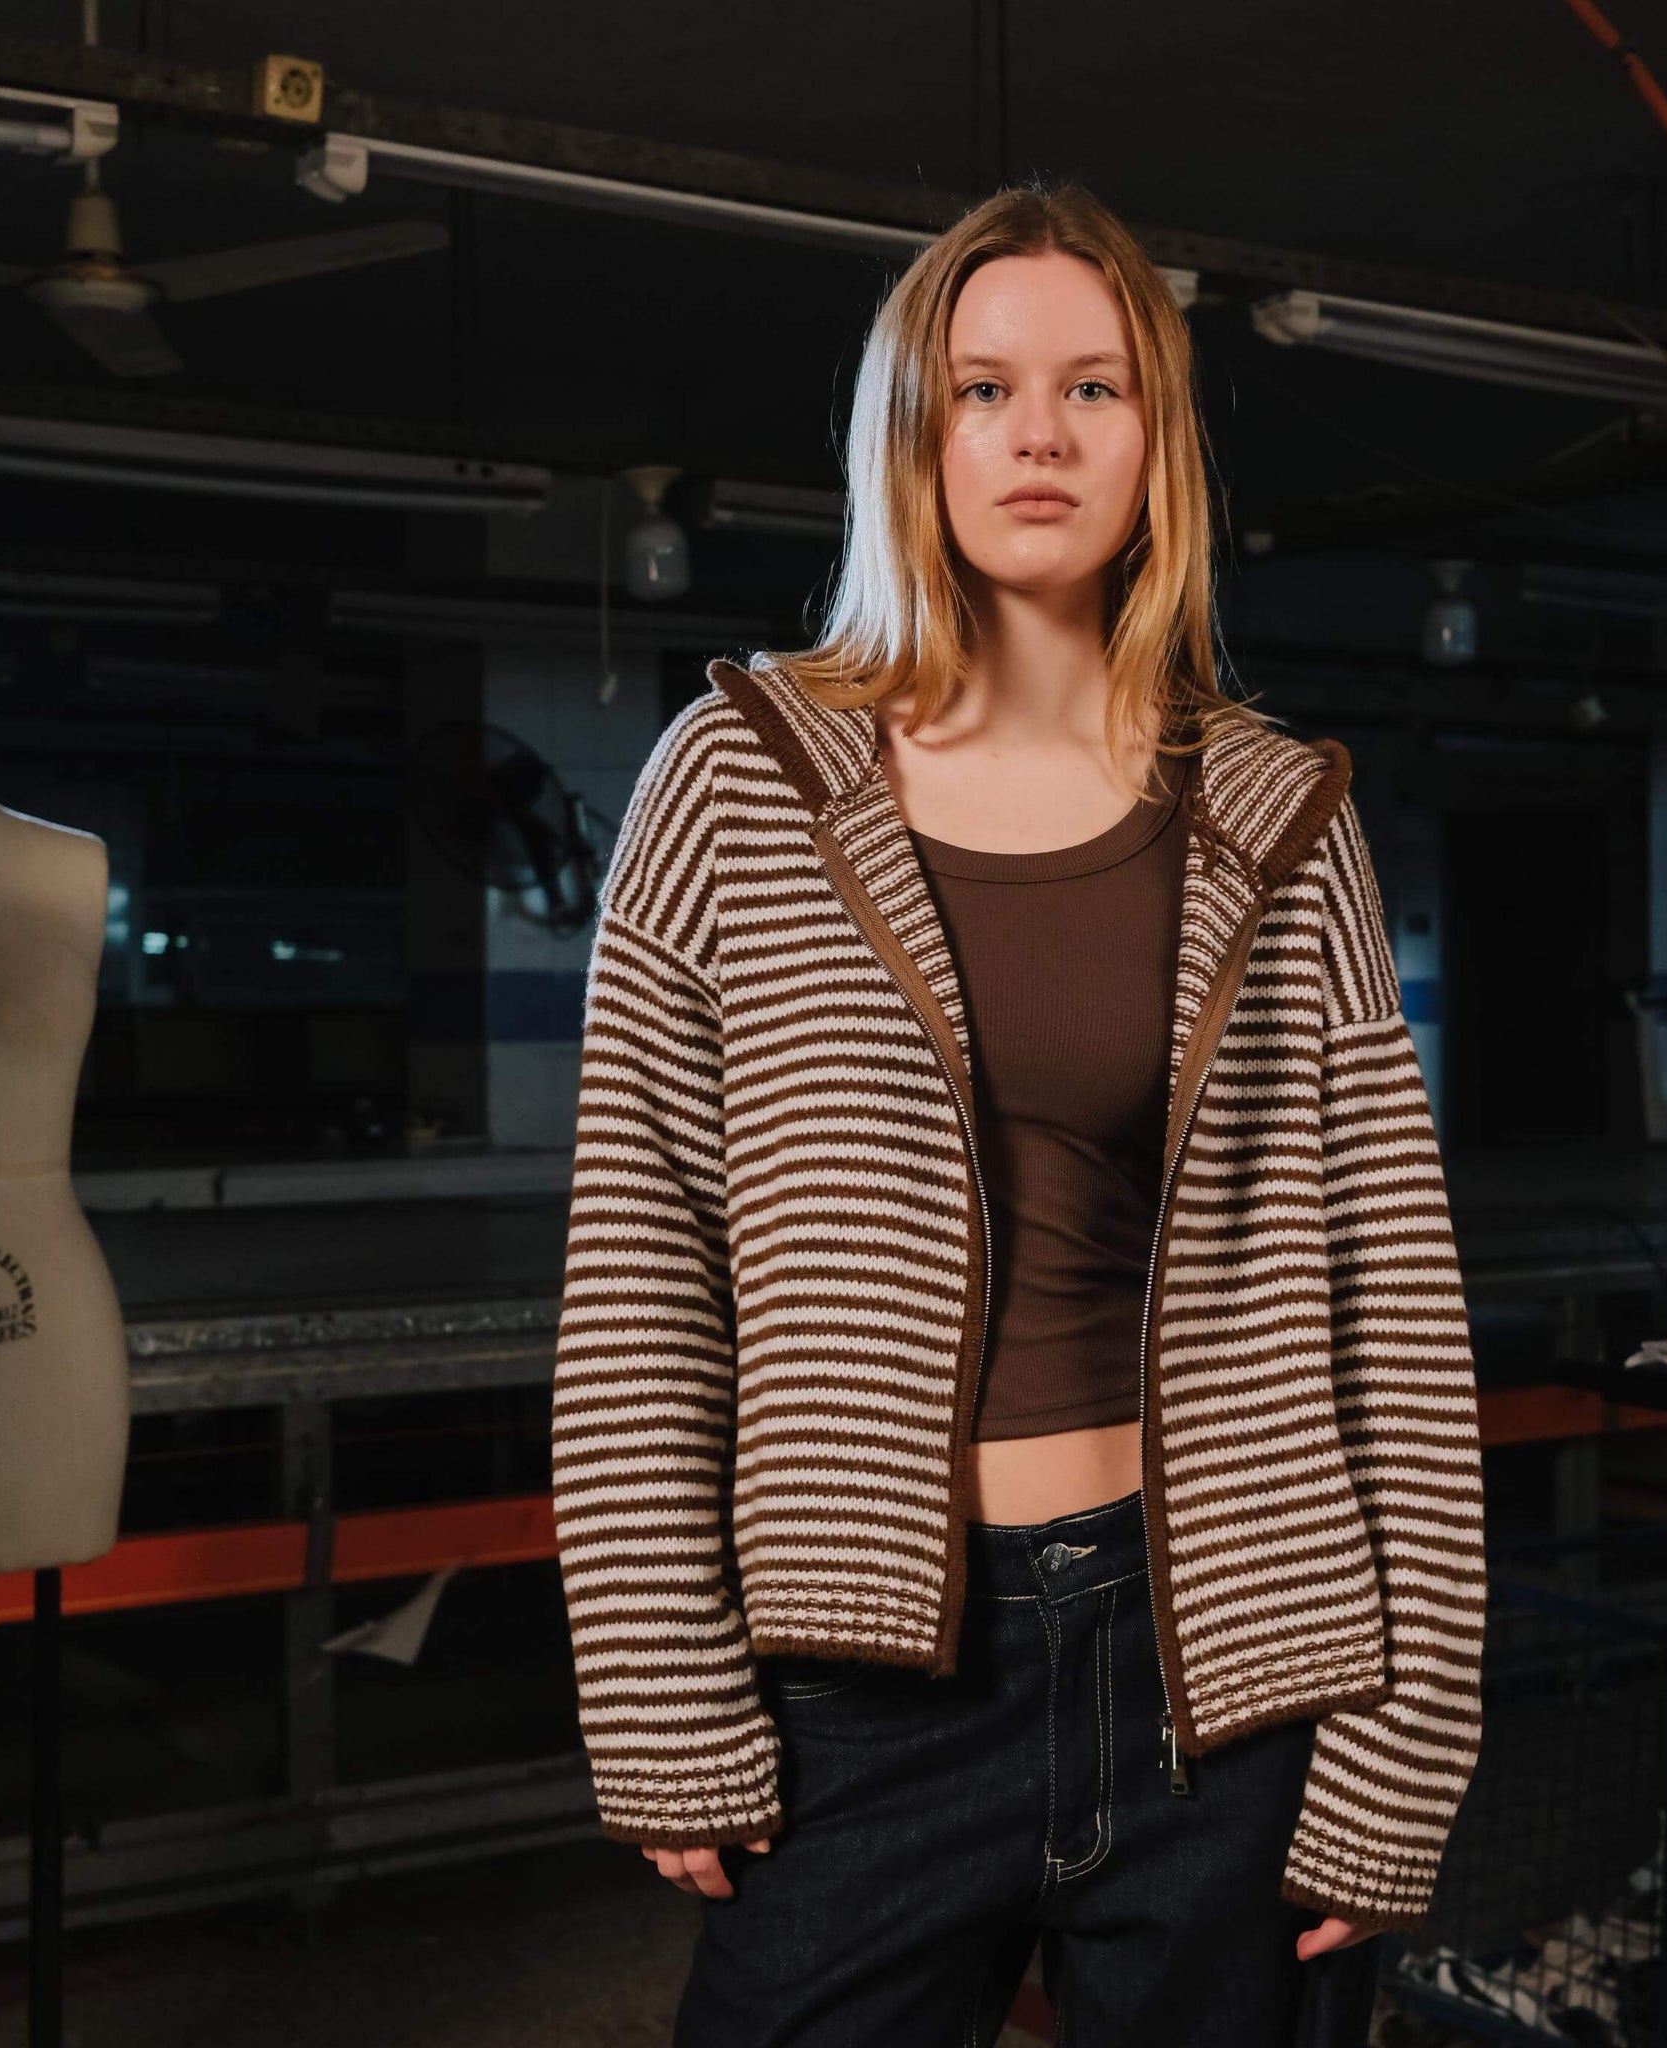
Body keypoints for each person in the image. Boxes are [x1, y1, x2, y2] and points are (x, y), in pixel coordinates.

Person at [551, 180, 1485, 2048]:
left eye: (1094, 388)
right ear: (916, 431)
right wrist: (658, 1679)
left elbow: (1393, 1292)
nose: (1039, 434)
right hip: (869, 1689)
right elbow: (644, 1262)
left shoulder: (1281, 819)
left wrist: (1410, 1744)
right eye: (982, 389)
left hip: (1226, 1670)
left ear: (1160, 442)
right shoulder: (738, 780)